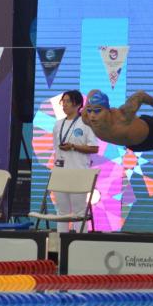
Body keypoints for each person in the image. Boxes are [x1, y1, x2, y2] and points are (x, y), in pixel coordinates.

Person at [82, 88, 153, 171]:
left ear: (107, 110)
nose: (92, 115)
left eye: (97, 110)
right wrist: (90, 102)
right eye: (89, 110)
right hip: (134, 145)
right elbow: (93, 91)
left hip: (151, 129)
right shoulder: (86, 118)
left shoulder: (123, 116)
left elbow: (140, 95)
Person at [52, 90, 99, 233]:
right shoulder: (58, 124)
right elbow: (56, 149)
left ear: (77, 104)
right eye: (63, 101)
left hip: (78, 172)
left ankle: (80, 244)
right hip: (60, 173)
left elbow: (94, 148)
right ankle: (60, 246)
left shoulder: (86, 124)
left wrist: (74, 146)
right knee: (62, 212)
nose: (64, 105)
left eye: (67, 101)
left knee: (79, 212)